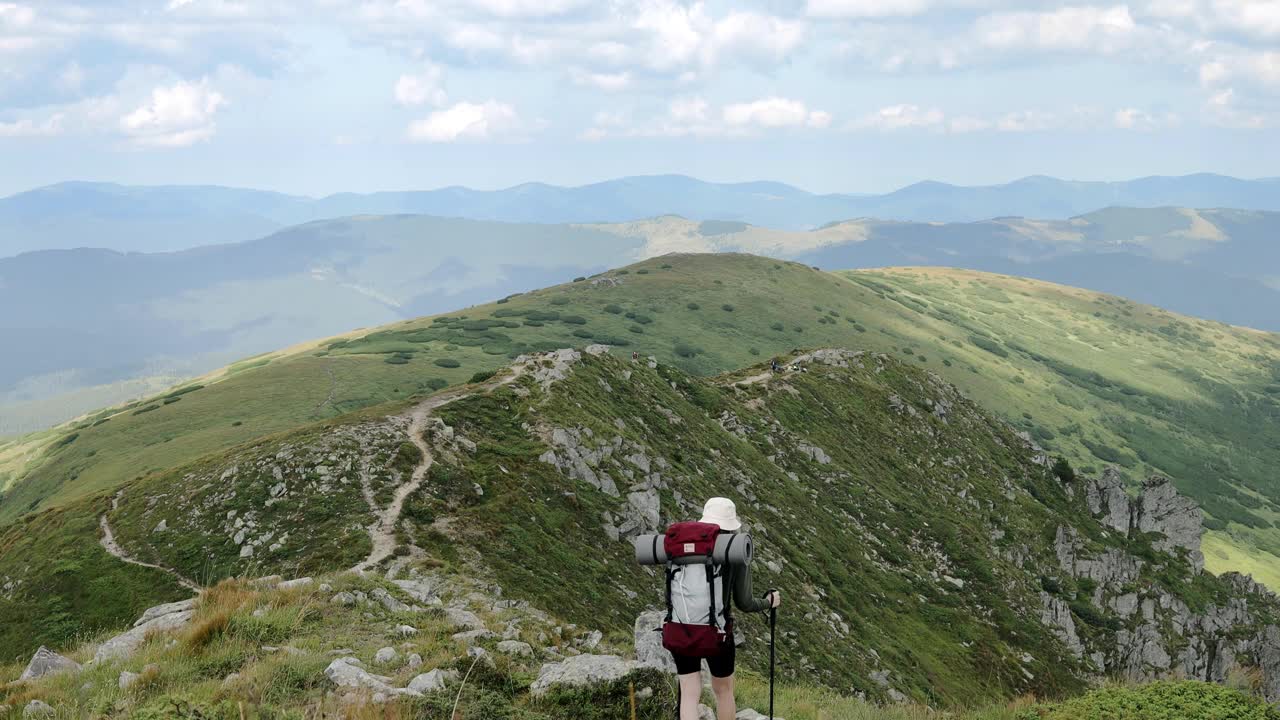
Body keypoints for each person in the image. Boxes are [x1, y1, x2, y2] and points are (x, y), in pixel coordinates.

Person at [672, 497, 781, 720]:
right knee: (724, 691)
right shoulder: (734, 549)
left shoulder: (682, 546)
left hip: (680, 627)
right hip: (717, 634)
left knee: (690, 693)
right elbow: (745, 602)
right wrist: (769, 602)